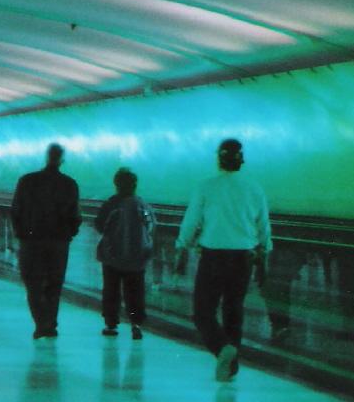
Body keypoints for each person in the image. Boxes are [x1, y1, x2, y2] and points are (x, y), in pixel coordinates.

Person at [176, 139, 271, 382]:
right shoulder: (254, 188)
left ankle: (222, 348)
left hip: (214, 256)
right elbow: (263, 227)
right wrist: (264, 256)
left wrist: (182, 246)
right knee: (234, 310)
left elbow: (191, 221)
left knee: (202, 312)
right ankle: (231, 367)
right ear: (242, 160)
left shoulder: (205, 186)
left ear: (219, 159)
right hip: (244, 257)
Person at [10, 143, 81, 339]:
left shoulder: (27, 181)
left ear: (46, 156)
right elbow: (75, 216)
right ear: (62, 159)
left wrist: (21, 233)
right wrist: (69, 233)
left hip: (31, 241)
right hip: (59, 242)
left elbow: (15, 210)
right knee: (54, 283)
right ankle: (49, 321)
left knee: (33, 283)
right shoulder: (69, 184)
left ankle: (42, 322)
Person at [93, 168, 155, 339]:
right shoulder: (143, 205)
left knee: (111, 290)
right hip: (137, 258)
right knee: (135, 292)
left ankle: (111, 324)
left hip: (112, 256)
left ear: (116, 184)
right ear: (135, 185)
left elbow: (100, 225)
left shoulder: (111, 204)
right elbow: (150, 226)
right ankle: (136, 324)